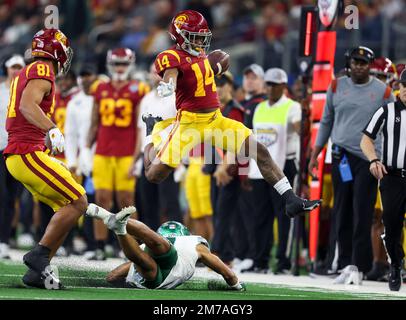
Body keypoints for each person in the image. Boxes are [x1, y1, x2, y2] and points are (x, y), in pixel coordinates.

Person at [142, 10, 320, 225]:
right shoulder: (171, 57)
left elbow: (202, 75)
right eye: (195, 36)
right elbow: (172, 74)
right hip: (189, 123)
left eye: (202, 36)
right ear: (180, 36)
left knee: (260, 152)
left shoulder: (201, 56)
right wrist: (168, 84)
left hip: (215, 120)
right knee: (154, 175)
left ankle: (291, 199)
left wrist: (215, 66)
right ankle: (151, 135)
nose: (200, 41)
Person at [2, 28, 121, 290]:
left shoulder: (31, 70)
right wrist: (51, 128)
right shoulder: (42, 69)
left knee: (68, 205)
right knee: (78, 200)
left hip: (26, 152)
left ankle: (38, 268)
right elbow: (27, 105)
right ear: (55, 49)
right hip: (26, 152)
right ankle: (39, 255)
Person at [309, 46, 395, 283]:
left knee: (363, 211)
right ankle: (345, 264)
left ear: (370, 66)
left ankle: (360, 266)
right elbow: (326, 121)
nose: (359, 66)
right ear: (349, 63)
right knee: (342, 210)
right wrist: (315, 154)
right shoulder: (336, 86)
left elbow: (392, 124)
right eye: (355, 61)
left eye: (364, 62)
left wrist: (388, 158)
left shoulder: (383, 91)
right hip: (341, 156)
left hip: (368, 160)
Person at [82, 48, 150, 260]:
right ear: (111, 65)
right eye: (117, 63)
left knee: (126, 201)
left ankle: (134, 246)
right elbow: (94, 121)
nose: (120, 68)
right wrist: (85, 148)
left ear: (130, 65)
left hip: (126, 152)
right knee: (101, 199)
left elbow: (141, 126)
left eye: (123, 63)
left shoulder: (139, 89)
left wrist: (139, 156)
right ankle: (100, 246)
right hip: (103, 150)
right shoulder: (100, 87)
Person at [86, 205, 246, 291]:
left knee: (143, 258)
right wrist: (233, 281)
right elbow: (214, 260)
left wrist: (129, 284)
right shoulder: (192, 241)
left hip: (147, 276)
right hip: (159, 277)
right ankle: (118, 227)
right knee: (150, 255)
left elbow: (113, 276)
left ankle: (115, 223)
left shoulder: (146, 244)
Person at [245, 68, 302, 274]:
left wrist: (303, 119)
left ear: (282, 86)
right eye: (267, 84)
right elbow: (251, 138)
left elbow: (299, 129)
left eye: (273, 84)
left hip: (283, 166)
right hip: (260, 168)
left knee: (284, 214)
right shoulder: (259, 108)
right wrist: (247, 167)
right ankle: (260, 260)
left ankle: (283, 262)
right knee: (260, 216)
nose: (269, 88)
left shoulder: (293, 106)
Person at [360, 69, 406, 291]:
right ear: (399, 86)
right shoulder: (386, 111)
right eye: (405, 86)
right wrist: (373, 160)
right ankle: (396, 264)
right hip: (393, 176)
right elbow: (366, 139)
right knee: (391, 222)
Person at [133, 63, 181, 232]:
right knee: (147, 201)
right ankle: (150, 241)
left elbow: (184, 127)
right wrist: (138, 158)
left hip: (168, 153)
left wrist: (182, 158)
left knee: (169, 202)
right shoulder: (146, 99)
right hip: (148, 153)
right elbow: (141, 129)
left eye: (161, 73)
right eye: (155, 73)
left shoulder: (176, 97)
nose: (158, 77)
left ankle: (176, 239)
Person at [38, 69, 80, 257]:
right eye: (60, 79)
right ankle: (43, 239)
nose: (63, 83)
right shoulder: (49, 96)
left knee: (70, 202)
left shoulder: (77, 99)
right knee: (45, 200)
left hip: (67, 157)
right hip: (48, 154)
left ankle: (68, 242)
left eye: (66, 79)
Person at [210, 71, 248, 266]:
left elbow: (236, 144)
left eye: (222, 84)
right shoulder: (217, 109)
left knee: (224, 214)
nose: (218, 88)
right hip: (216, 167)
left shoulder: (234, 110)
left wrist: (223, 167)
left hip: (230, 170)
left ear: (231, 87)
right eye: (215, 84)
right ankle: (227, 254)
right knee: (218, 212)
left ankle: (218, 254)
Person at [65, 64, 98, 255]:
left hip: (100, 154)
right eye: (83, 76)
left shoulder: (102, 97)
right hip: (82, 158)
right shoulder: (74, 102)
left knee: (99, 202)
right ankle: (86, 242)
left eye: (89, 75)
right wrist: (72, 160)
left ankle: (101, 243)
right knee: (80, 201)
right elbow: (70, 134)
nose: (86, 79)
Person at [0, 54, 25, 259]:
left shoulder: (26, 92)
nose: (16, 70)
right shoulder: (0, 91)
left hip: (17, 149)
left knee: (11, 198)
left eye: (19, 67)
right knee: (2, 196)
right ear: (6, 69)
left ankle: (5, 241)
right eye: (12, 67)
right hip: (0, 148)